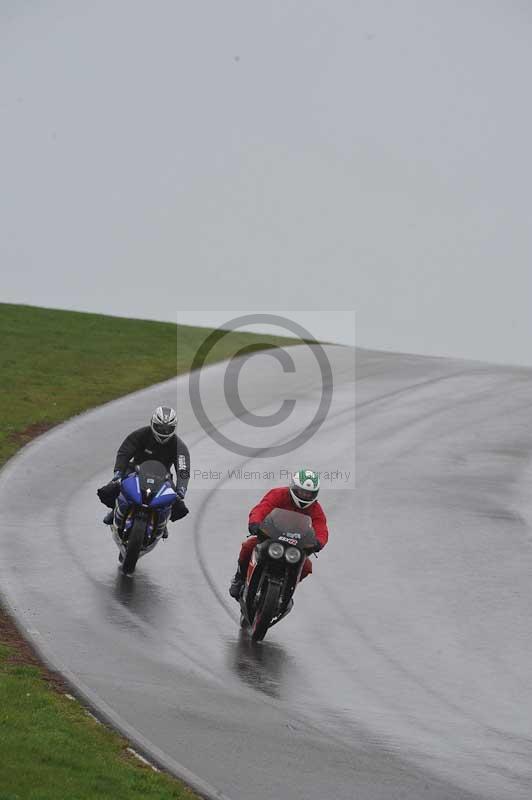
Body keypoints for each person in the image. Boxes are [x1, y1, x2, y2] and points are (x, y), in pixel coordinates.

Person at [229, 469, 328, 599]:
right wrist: (255, 522)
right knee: (248, 546)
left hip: (296, 545)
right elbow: (262, 508)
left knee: (306, 567)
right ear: (293, 487)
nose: (305, 495)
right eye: (302, 491)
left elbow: (321, 526)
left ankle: (286, 591)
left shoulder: (315, 508)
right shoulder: (278, 494)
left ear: (315, 494)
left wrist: (319, 541)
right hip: (271, 537)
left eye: (309, 493)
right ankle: (239, 578)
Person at [97, 406, 190, 535]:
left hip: (163, 477)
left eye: (168, 429)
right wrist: (118, 472)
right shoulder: (141, 434)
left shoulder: (179, 446)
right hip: (135, 470)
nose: (163, 431)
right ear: (152, 423)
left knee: (178, 505)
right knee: (110, 489)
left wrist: (181, 489)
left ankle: (162, 521)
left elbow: (183, 468)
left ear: (174, 428)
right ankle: (115, 510)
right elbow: (124, 452)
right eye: (160, 427)